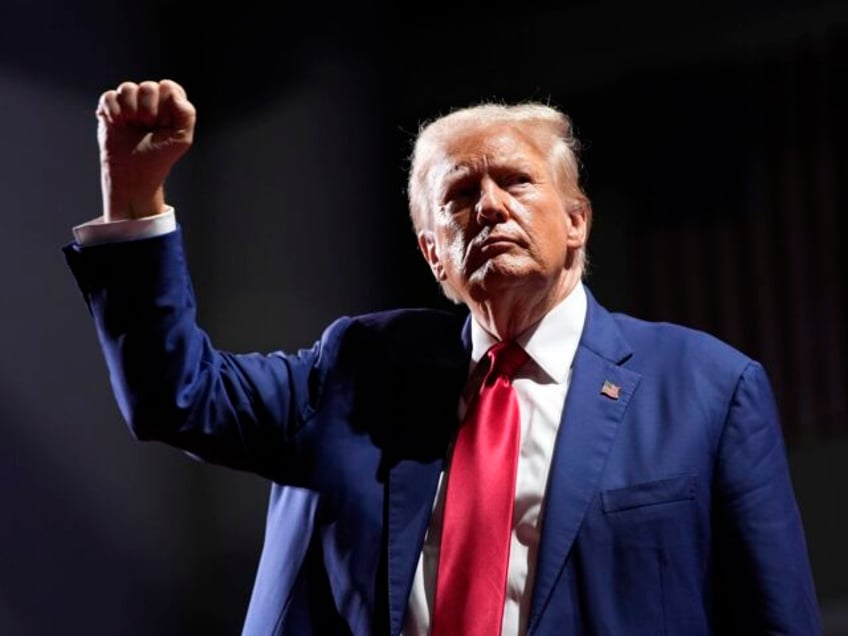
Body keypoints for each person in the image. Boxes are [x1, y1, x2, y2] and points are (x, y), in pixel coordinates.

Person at [64, 79, 821, 635]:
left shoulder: (709, 391)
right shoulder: (357, 370)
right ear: (436, 258)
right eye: (459, 196)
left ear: (577, 222)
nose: (488, 205)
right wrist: (135, 201)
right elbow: (178, 396)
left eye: (516, 181)